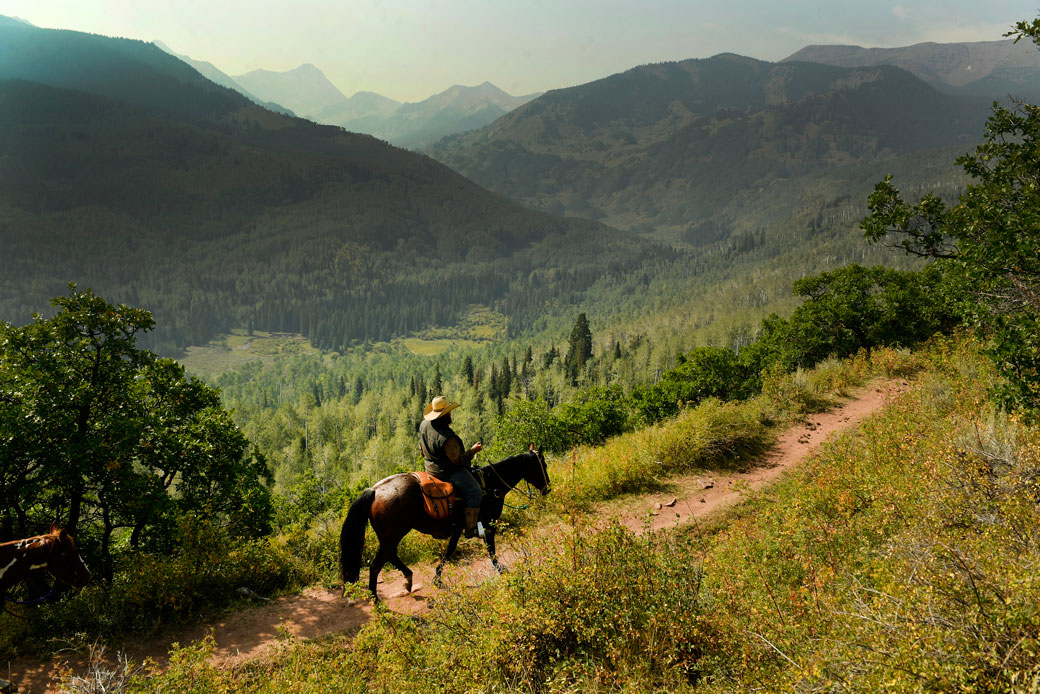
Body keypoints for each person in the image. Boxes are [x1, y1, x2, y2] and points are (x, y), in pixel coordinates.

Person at [418, 395, 483, 536]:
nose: (450, 414)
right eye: (448, 412)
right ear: (445, 415)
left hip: (429, 468)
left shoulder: (424, 425)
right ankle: (470, 528)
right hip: (447, 472)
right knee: (475, 491)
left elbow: (421, 450)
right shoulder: (447, 438)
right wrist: (474, 450)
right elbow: (458, 461)